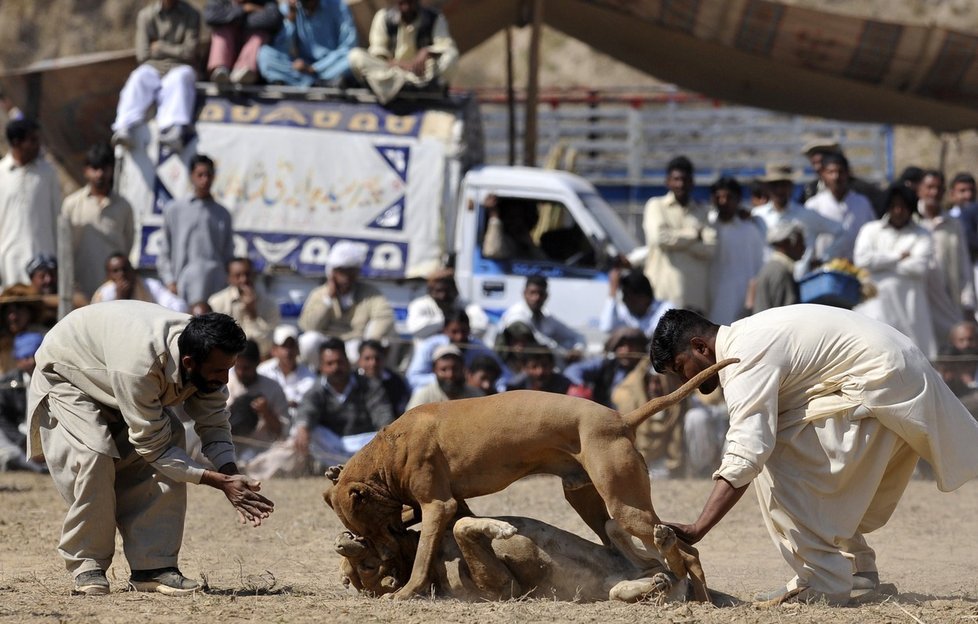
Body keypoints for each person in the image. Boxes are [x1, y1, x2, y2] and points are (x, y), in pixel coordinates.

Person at [650, 306, 978, 606]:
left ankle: (826, 579)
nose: (686, 382)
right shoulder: (749, 335)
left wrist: (698, 527)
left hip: (881, 385)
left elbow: (747, 449)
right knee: (783, 435)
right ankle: (856, 571)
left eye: (682, 368)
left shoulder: (741, 356)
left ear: (700, 347)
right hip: (890, 380)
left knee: (772, 453)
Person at [26, 302, 275, 595]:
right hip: (69, 376)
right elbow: (152, 446)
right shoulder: (140, 365)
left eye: (229, 369)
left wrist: (231, 474)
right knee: (93, 455)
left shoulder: (207, 353)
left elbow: (215, 424)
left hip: (112, 374)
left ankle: (153, 567)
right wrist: (216, 482)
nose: (225, 380)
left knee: (172, 436)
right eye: (219, 371)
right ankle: (88, 564)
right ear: (188, 363)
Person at [853, 184, 936, 358]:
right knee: (877, 354)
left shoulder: (922, 234)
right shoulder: (870, 230)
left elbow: (920, 268)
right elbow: (862, 260)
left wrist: (880, 264)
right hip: (876, 306)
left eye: (903, 206)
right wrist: (898, 256)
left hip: (910, 308)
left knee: (914, 357)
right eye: (894, 206)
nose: (898, 211)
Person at [112, 0, 200, 151]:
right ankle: (124, 127)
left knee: (181, 78)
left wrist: (161, 47)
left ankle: (174, 130)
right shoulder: (146, 16)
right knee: (138, 78)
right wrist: (176, 50)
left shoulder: (191, 15)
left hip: (178, 66)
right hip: (153, 67)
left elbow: (189, 52)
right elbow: (142, 54)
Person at [292, 337, 394, 465]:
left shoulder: (368, 385)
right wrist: (303, 428)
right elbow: (307, 409)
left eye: (339, 362)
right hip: (331, 445)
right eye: (330, 364)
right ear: (322, 367)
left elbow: (382, 413)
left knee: (385, 437)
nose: (336, 368)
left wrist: (386, 433)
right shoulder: (317, 389)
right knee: (309, 432)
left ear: (347, 362)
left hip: (363, 444)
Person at [157, 154, 235, 305]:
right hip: (182, 286)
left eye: (208, 175)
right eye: (200, 175)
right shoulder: (175, 210)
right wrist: (169, 281)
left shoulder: (222, 214)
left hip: (216, 287)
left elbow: (228, 253)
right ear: (191, 176)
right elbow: (165, 250)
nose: (204, 180)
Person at [61, 143, 136, 299]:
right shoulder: (71, 205)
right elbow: (65, 249)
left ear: (111, 170)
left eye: (104, 168)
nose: (100, 174)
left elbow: (128, 245)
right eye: (95, 169)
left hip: (113, 291)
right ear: (86, 171)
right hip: (80, 288)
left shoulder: (123, 206)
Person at [348, 0, 459, 104]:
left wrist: (427, 52)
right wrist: (401, 64)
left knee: (451, 55)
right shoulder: (384, 17)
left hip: (422, 75)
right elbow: (378, 52)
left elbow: (445, 45)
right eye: (402, 3)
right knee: (356, 56)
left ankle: (426, 89)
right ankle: (398, 89)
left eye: (410, 2)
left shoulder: (434, 18)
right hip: (392, 73)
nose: (406, 7)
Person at [642, 155, 716, 312]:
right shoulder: (656, 206)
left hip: (694, 297)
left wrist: (675, 241)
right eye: (676, 179)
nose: (680, 184)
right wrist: (694, 235)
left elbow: (710, 248)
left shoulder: (702, 211)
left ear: (692, 182)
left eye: (685, 179)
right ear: (667, 181)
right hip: (662, 294)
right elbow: (660, 239)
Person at [298, 241, 395, 357]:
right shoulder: (319, 293)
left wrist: (369, 343)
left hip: (354, 343)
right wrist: (328, 299)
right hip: (326, 344)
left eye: (351, 271)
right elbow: (308, 326)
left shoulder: (370, 293)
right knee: (308, 341)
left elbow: (384, 317)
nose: (346, 276)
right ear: (332, 272)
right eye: (342, 271)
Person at [751, 162, 844, 278]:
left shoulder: (806, 214)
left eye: (784, 185)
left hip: (799, 281)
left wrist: (824, 259)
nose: (780, 190)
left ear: (791, 186)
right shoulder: (757, 215)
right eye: (775, 185)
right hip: (768, 279)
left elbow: (839, 230)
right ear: (767, 188)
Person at [916, 169, 976, 347]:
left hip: (948, 301)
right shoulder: (911, 220)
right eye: (929, 187)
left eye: (938, 188)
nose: (933, 192)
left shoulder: (953, 224)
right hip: (920, 299)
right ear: (920, 189)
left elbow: (964, 265)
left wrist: (968, 302)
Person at [0, 119, 61, 288]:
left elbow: (58, 217)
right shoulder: (1, 173)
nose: (38, 145)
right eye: (32, 140)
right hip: (10, 261)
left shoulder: (48, 173)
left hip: (45, 262)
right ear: (16, 142)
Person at [257, 0, 356, 87]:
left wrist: (314, 68)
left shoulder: (338, 6)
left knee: (353, 57)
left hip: (332, 65)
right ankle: (315, 84)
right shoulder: (291, 7)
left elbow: (348, 46)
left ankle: (307, 83)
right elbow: (282, 47)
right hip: (303, 68)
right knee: (266, 54)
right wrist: (291, 19)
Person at [707, 177, 764, 325]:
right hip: (709, 300)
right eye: (718, 197)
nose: (723, 202)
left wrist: (751, 300)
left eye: (729, 197)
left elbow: (758, 268)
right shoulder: (707, 226)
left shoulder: (749, 230)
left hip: (740, 303)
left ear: (738, 199)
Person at [407, 309, 507, 391]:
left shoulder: (478, 348)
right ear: (444, 331)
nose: (459, 337)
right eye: (454, 332)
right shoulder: (429, 346)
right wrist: (446, 377)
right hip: (436, 394)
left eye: (464, 331)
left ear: (469, 329)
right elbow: (413, 378)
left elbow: (501, 373)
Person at [804, 152, 875, 263]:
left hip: (856, 267)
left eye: (840, 172)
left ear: (847, 173)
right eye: (830, 172)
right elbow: (807, 238)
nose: (836, 177)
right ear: (823, 175)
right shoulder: (814, 205)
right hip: (825, 267)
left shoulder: (862, 203)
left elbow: (872, 233)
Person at [226, 340, 290, 463]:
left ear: (257, 363)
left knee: (289, 451)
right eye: (238, 367)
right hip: (227, 445)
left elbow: (282, 432)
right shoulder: (226, 383)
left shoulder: (273, 388)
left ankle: (245, 467)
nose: (241, 372)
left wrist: (266, 412)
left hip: (260, 450)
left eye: (246, 368)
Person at [496, 276, 585, 363]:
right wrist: (565, 354)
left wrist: (577, 349)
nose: (536, 298)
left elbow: (577, 336)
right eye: (532, 293)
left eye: (540, 294)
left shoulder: (545, 316)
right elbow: (539, 341)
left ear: (546, 296)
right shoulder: (516, 315)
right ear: (524, 293)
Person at [208, 257, 281, 358]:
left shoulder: (269, 304)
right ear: (229, 278)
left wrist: (252, 314)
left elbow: (266, 345)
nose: (244, 279)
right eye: (238, 276)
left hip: (259, 360)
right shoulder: (216, 302)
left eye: (247, 274)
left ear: (254, 274)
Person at [563, 327, 647, 408]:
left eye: (632, 345)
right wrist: (581, 386)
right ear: (615, 348)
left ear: (641, 349)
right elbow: (573, 370)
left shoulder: (648, 369)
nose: (627, 350)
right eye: (622, 346)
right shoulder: (606, 364)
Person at [205, 0, 282, 85]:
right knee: (222, 31)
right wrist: (243, 10)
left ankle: (244, 71)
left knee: (258, 35)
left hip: (250, 64)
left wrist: (236, 20)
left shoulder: (266, 2)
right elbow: (211, 17)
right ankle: (219, 69)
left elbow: (272, 19)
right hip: (228, 55)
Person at [405, 267, 488, 345]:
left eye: (447, 290)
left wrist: (457, 333)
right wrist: (446, 320)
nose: (443, 296)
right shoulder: (420, 304)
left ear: (455, 289)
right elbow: (415, 329)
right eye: (438, 291)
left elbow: (481, 326)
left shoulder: (466, 304)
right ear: (430, 291)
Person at [0, 332, 46, 472]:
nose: (31, 361)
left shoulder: (55, 380)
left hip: (48, 438)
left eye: (34, 356)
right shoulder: (7, 383)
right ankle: (35, 467)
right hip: (19, 440)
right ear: (18, 360)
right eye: (26, 357)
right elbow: (2, 418)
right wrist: (22, 442)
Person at [91, 252, 188, 312]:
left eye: (125, 269)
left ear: (132, 270)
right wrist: (119, 298)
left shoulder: (149, 285)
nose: (122, 274)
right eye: (115, 271)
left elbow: (178, 305)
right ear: (108, 276)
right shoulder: (104, 294)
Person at [256, 324, 316, 419]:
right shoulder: (262, 371)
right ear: (274, 350)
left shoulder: (310, 376)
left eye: (292, 346)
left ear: (298, 349)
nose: (288, 351)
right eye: (284, 346)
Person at [599, 268, 674, 337]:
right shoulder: (624, 311)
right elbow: (606, 327)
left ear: (645, 297)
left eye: (629, 297)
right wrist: (612, 293)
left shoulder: (666, 310)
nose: (624, 300)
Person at [750, 221, 805, 314]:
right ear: (787, 244)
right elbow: (788, 314)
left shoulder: (772, 267)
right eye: (800, 242)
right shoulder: (780, 271)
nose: (804, 247)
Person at [405, 344, 482, 410]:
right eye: (443, 370)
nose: (450, 375)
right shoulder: (423, 396)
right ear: (434, 370)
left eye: (455, 369)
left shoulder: (475, 395)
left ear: (462, 368)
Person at [480, 194, 547, 261]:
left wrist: (528, 243)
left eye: (519, 217)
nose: (515, 222)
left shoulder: (524, 242)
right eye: (511, 217)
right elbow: (492, 251)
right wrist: (494, 217)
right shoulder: (503, 239)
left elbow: (542, 262)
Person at [0, 284, 48, 375]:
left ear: (30, 311)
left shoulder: (45, 337)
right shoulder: (3, 344)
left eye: (18, 309)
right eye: (8, 311)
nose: (13, 317)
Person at [356, 339, 411, 415]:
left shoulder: (396, 381)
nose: (373, 363)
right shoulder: (352, 381)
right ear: (359, 360)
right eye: (367, 359)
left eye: (377, 358)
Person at [504, 346, 571, 395]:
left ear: (552, 365)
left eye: (545, 365)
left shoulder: (564, 384)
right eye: (534, 366)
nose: (540, 372)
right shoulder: (514, 388)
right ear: (525, 368)